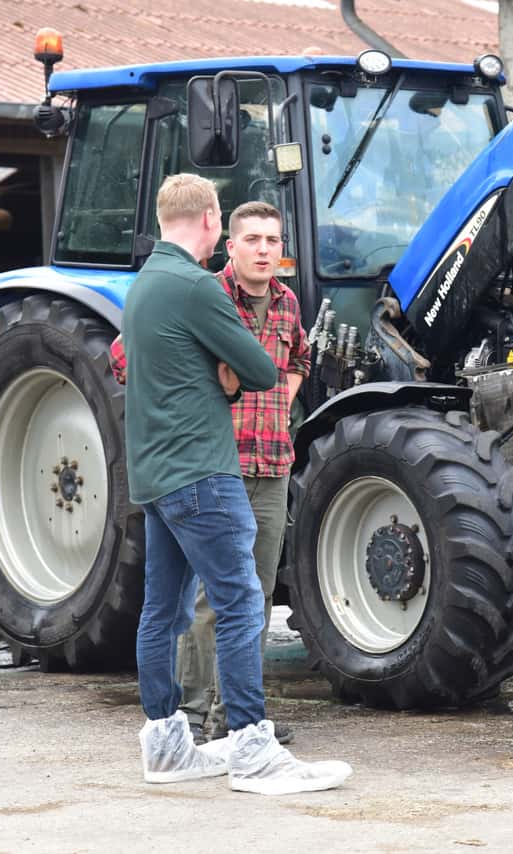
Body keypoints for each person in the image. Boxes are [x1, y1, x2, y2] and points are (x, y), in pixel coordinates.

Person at [124, 173, 350, 794]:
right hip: (203, 469)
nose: (256, 244)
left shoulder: (145, 283)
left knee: (162, 609)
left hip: (159, 473)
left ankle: (168, 745)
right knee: (240, 602)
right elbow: (256, 367)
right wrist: (225, 373)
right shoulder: (197, 287)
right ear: (210, 222)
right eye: (235, 227)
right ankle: (252, 748)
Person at [176, 201, 309, 745]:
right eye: (252, 239)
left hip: (272, 465)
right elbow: (133, 360)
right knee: (211, 595)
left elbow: (298, 359)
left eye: (272, 241)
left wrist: (280, 399)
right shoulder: (203, 297)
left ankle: (238, 719)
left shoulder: (286, 303)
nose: (263, 249)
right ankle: (189, 715)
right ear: (230, 246)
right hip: (217, 467)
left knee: (255, 594)